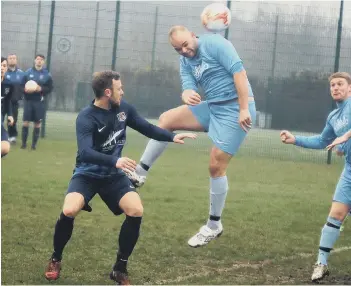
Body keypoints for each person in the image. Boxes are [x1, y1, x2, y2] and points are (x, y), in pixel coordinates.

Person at [44, 71, 196, 285]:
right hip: (87, 174)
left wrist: (172, 136)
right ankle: (56, 258)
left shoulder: (124, 109)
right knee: (69, 210)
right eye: (119, 88)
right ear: (108, 92)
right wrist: (114, 161)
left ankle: (120, 268)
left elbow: (148, 128)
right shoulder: (86, 117)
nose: (122, 91)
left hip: (113, 177)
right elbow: (85, 152)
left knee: (136, 210)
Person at [128, 25, 256, 248]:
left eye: (186, 45)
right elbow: (187, 86)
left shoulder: (215, 43)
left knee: (216, 165)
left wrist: (244, 109)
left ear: (192, 34)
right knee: (166, 119)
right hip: (213, 107)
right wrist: (186, 93)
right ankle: (139, 174)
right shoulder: (185, 60)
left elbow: (240, 74)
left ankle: (214, 225)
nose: (184, 51)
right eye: (178, 49)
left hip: (236, 109)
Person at [280, 72, 351, 282]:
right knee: (336, 214)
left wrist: (345, 137)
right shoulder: (334, 117)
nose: (335, 88)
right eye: (332, 85)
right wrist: (295, 140)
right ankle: (321, 264)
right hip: (349, 170)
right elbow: (322, 141)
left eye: (340, 84)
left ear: (350, 88)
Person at [21, 54, 53, 150]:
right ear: (35, 60)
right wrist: (25, 89)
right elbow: (21, 85)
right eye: (38, 59)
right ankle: (23, 144)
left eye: (41, 60)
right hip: (28, 100)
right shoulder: (27, 73)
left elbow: (50, 88)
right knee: (26, 122)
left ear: (43, 62)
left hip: (39, 101)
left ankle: (34, 145)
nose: (39, 61)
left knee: (37, 122)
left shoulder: (47, 75)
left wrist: (41, 88)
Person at [6, 53, 25, 144]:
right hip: (3, 100)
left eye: (14, 58)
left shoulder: (21, 74)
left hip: (13, 101)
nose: (12, 60)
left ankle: (11, 136)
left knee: (13, 119)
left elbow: (24, 86)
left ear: (16, 60)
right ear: (7, 60)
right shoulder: (3, 71)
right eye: (10, 58)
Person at [1, 57, 14, 157]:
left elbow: (7, 100)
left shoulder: (8, 83)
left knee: (5, 148)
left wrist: (10, 115)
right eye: (0, 65)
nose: (1, 68)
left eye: (4, 66)